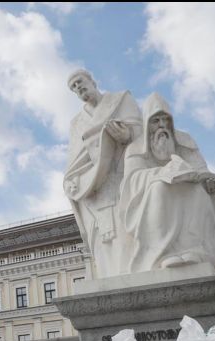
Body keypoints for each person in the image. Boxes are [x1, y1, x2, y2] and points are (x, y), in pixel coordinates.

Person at [120, 92, 215, 272]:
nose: (161, 125)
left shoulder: (185, 141)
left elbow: (200, 168)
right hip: (149, 194)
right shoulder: (135, 149)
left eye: (164, 120)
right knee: (159, 188)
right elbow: (132, 180)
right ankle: (163, 253)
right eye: (155, 121)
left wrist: (208, 181)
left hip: (188, 188)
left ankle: (193, 249)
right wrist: (163, 173)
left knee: (197, 190)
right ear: (147, 123)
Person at [63, 69, 141, 277]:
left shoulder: (121, 99)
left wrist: (127, 134)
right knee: (101, 238)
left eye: (79, 82)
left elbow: (142, 134)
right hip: (91, 188)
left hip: (122, 175)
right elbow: (74, 158)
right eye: (73, 87)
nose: (78, 88)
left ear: (92, 80)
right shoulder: (76, 122)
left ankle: (133, 274)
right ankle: (110, 278)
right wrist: (72, 181)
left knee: (126, 231)